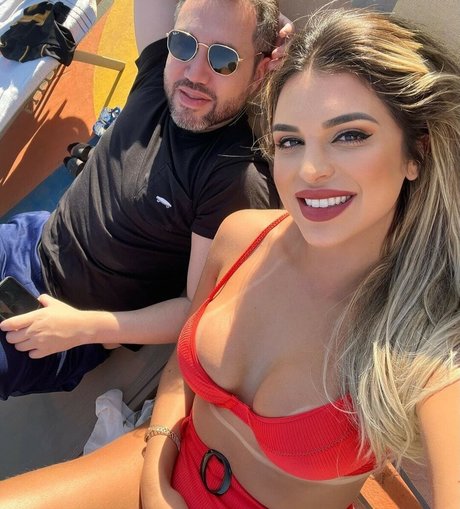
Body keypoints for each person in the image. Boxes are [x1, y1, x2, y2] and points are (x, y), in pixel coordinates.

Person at [1, 6, 460, 509]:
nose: (310, 170)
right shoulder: (243, 237)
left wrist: (85, 328)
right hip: (160, 459)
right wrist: (158, 464)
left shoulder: (429, 341)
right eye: (290, 140)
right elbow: (182, 361)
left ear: (417, 151)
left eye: (350, 135)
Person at [0, 0, 285, 399]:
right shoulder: (159, 78)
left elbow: (197, 309)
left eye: (224, 60)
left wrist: (82, 328)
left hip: (66, 317)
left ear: (260, 72)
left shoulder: (233, 178)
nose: (195, 74)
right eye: (184, 44)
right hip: (28, 240)